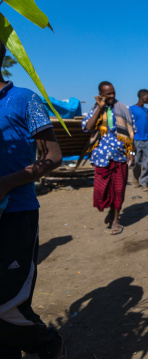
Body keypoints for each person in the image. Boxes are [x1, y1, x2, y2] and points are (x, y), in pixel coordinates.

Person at [0, 43, 65, 358]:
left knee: (8, 305)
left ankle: (48, 344)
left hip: (17, 214)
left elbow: (53, 156)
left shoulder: (24, 99)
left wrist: (7, 184)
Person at [82, 81, 136, 235]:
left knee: (118, 190)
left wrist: (131, 153)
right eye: (108, 94)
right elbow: (88, 128)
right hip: (102, 158)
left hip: (120, 156)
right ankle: (111, 211)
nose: (112, 96)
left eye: (113, 93)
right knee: (102, 191)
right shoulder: (95, 110)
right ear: (101, 94)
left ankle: (116, 219)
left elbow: (131, 133)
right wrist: (100, 107)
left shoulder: (124, 109)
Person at [130, 89, 148, 190]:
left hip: (146, 139)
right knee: (136, 161)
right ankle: (135, 177)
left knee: (146, 163)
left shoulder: (147, 111)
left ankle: (144, 182)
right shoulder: (131, 109)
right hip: (136, 139)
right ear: (142, 97)